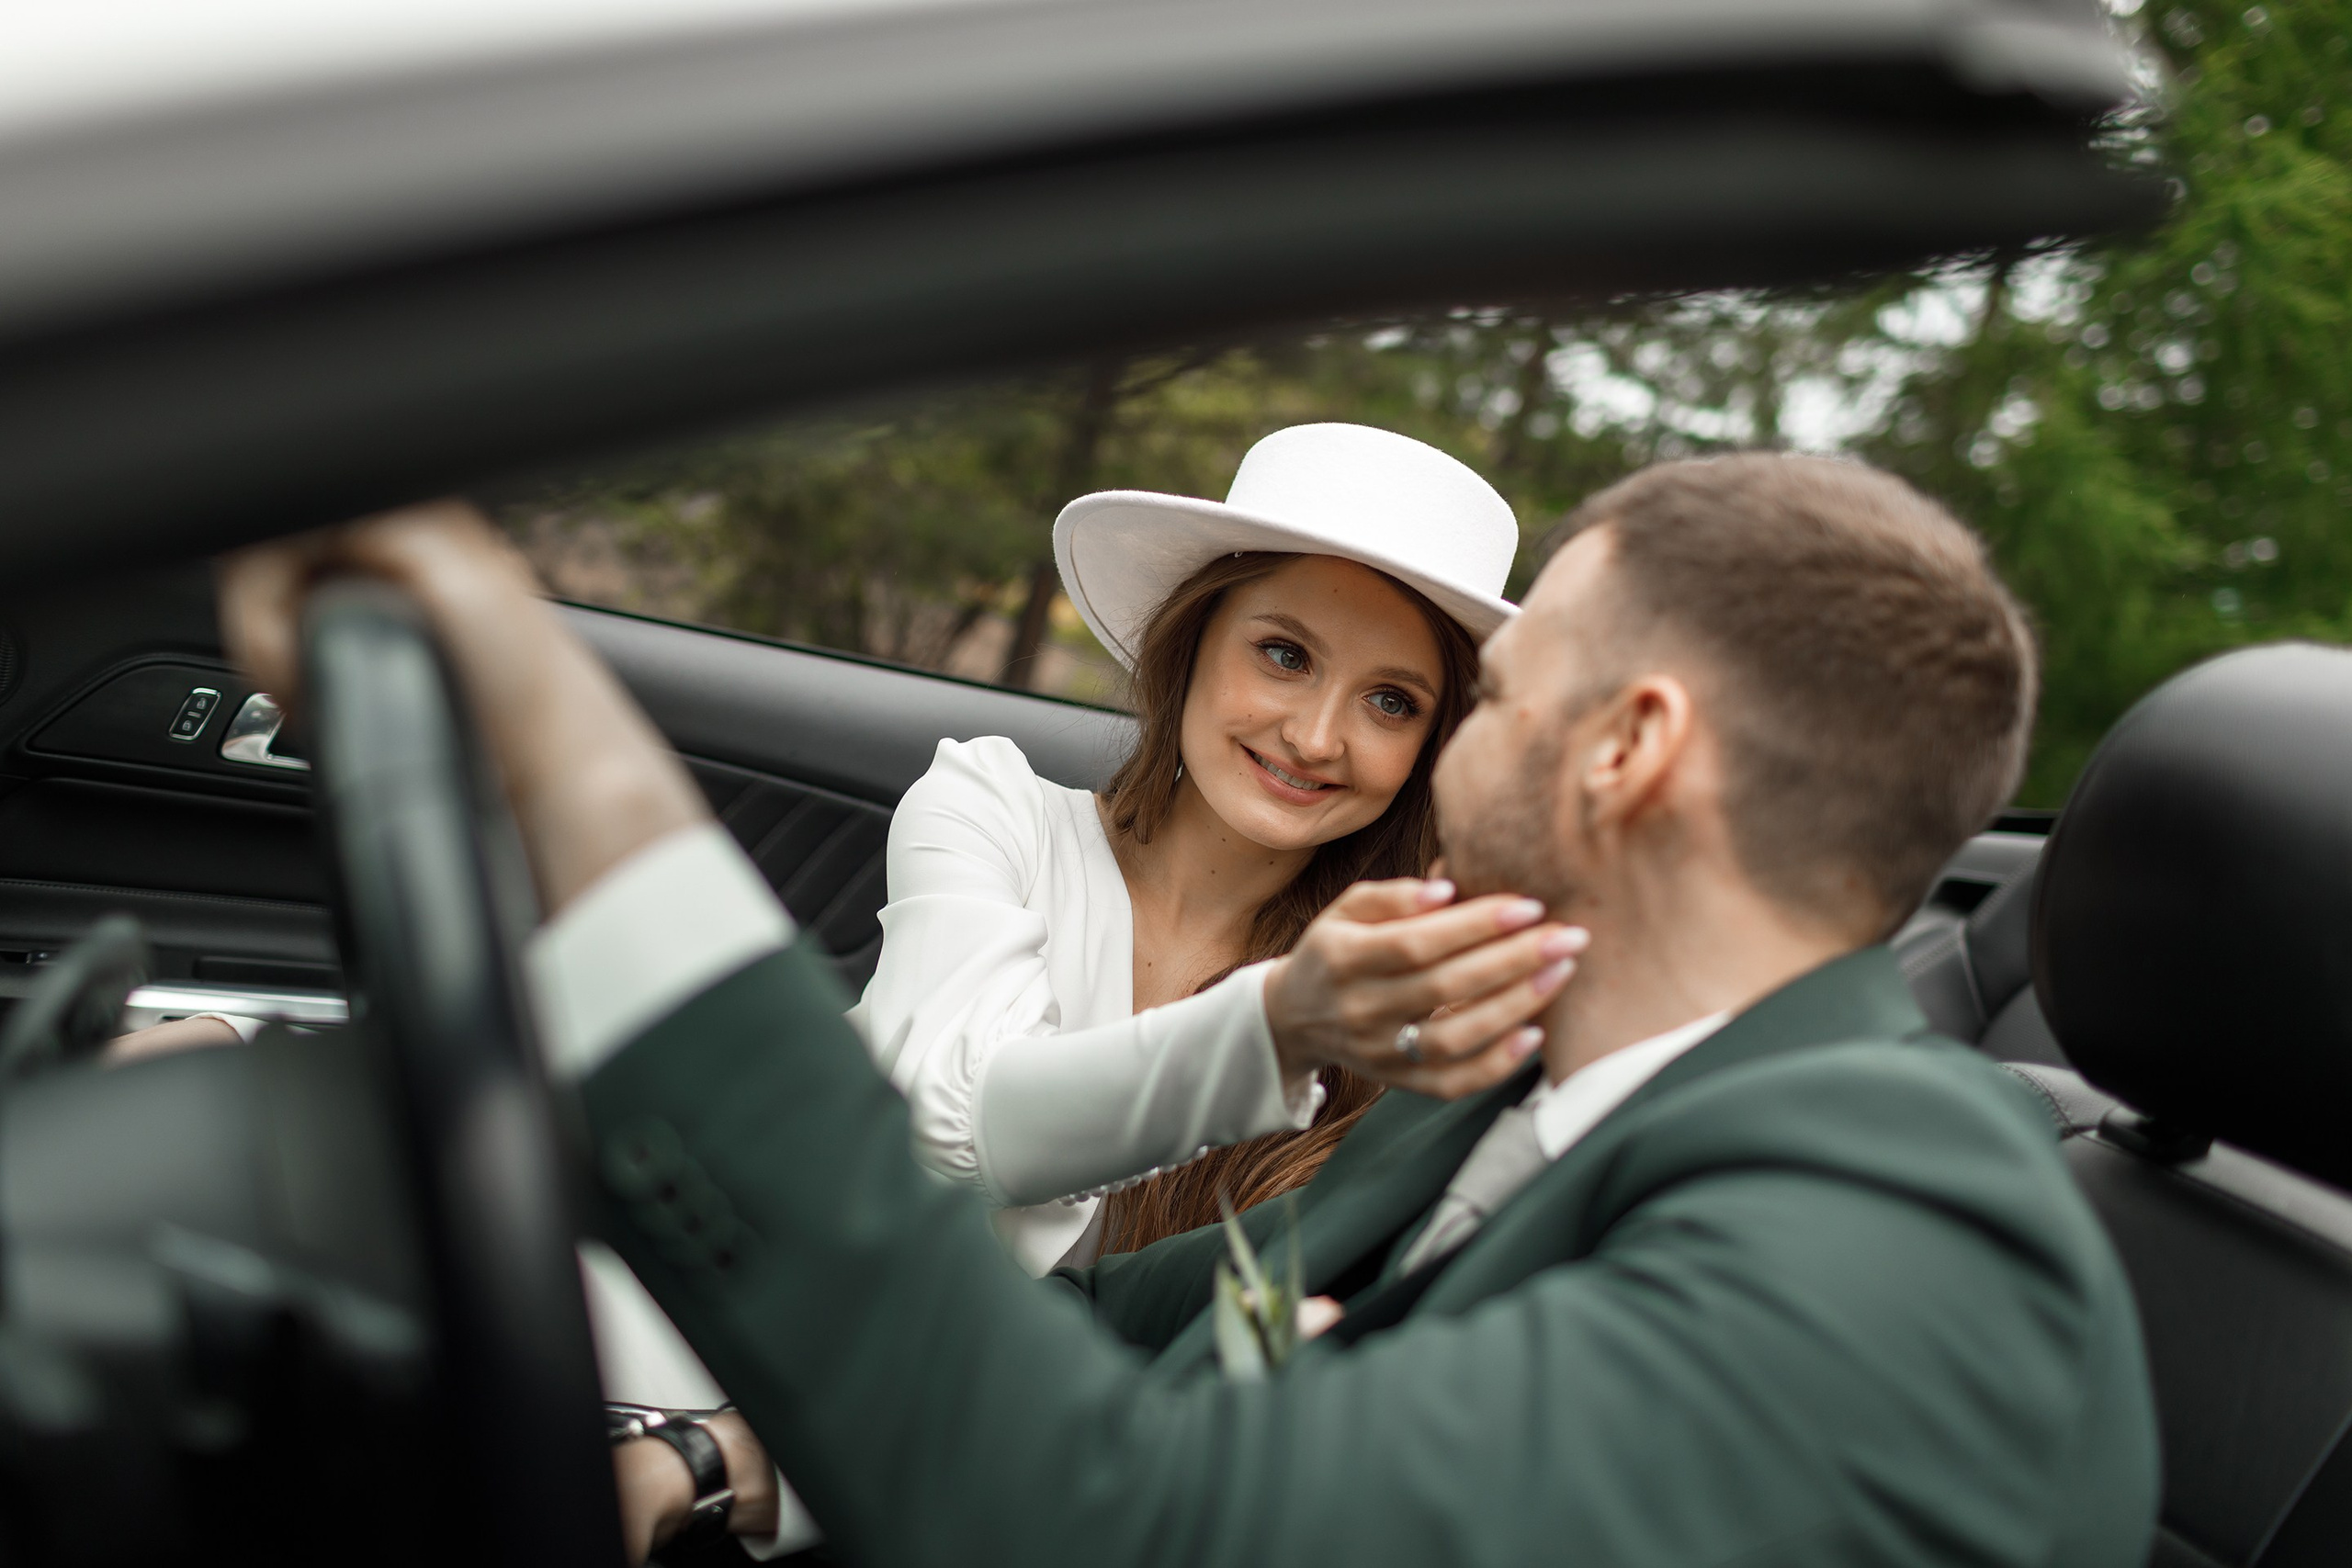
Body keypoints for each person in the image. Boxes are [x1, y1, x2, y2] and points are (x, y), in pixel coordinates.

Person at [220, 453, 2160, 1568]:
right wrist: (726, 1460)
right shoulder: (1488, 1090)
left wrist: (554, 733)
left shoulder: (1902, 1239)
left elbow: (1108, 1513)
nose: (1388, 740)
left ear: (1626, 748)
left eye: (1480, 691)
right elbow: (1081, 1328)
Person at [854, 422, 1585, 1273]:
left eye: (1390, 702)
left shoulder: (1403, 1007)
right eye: (1285, 654)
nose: (1316, 738)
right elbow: (947, 1122)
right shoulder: (990, 809)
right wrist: (1280, 1027)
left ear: (1433, 743)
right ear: (1192, 640)